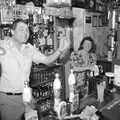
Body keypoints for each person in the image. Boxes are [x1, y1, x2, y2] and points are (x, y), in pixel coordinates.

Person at [0, 19, 70, 120]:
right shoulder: (3, 46)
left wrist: (60, 50)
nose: (25, 33)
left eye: (27, 30)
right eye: (21, 30)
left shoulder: (29, 49)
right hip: (8, 99)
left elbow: (47, 60)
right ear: (12, 31)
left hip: (27, 97)